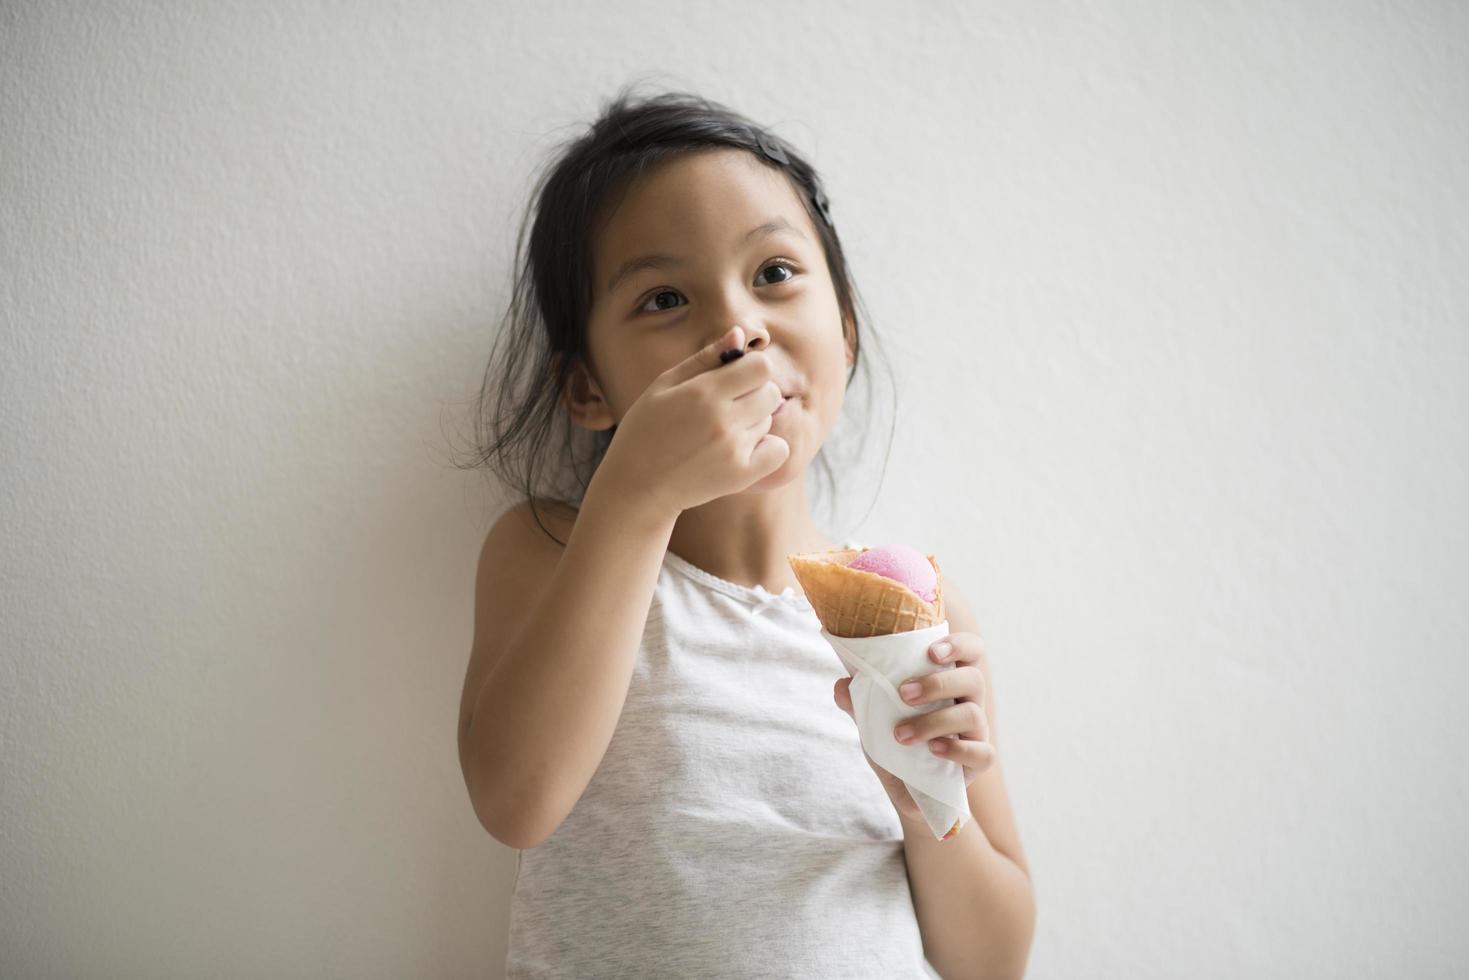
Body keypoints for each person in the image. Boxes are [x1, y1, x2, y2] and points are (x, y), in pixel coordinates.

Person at [455, 85, 1034, 979]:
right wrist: (637, 495)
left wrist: (922, 802)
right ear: (588, 393)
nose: (736, 330)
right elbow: (514, 801)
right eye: (662, 299)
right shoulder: (557, 548)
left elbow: (990, 962)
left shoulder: (914, 600)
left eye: (773, 274)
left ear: (841, 331)